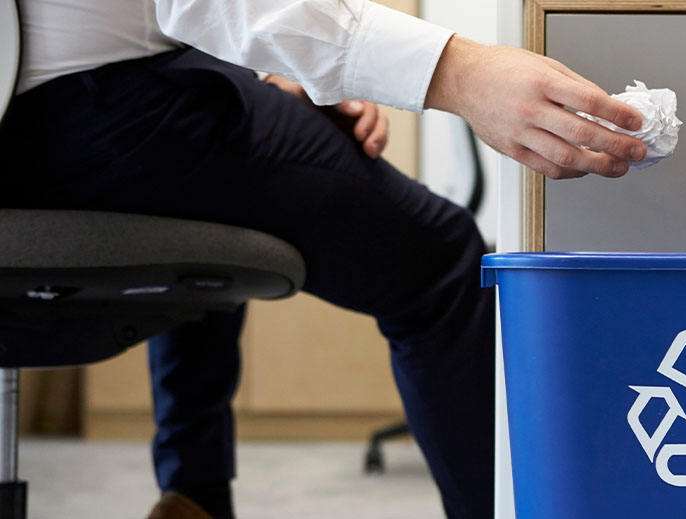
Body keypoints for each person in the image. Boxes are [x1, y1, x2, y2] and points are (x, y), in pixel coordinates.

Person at [1, 0, 648, 518]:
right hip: (94, 112)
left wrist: (283, 70)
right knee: (443, 265)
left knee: (216, 186)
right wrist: (458, 70)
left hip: (33, 118)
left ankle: (194, 495)